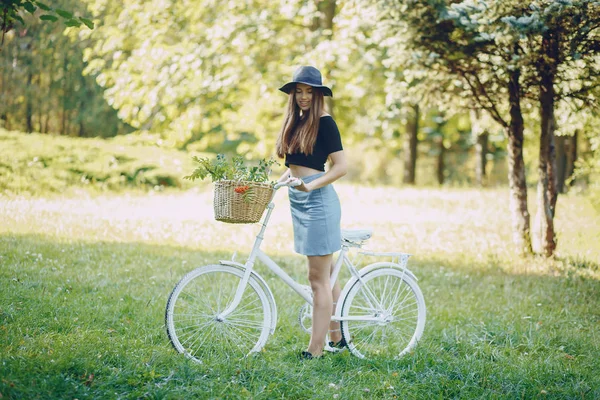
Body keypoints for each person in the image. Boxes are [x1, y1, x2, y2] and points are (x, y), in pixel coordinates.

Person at [275, 66, 348, 359]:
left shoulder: (325, 122)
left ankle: (315, 351)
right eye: (299, 91)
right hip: (299, 200)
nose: (304, 97)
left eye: (310, 91)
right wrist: (274, 186)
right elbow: (292, 168)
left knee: (317, 279)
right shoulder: (296, 122)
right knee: (327, 275)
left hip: (318, 202)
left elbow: (341, 167)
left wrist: (311, 186)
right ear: (293, 93)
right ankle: (339, 338)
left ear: (318, 94)